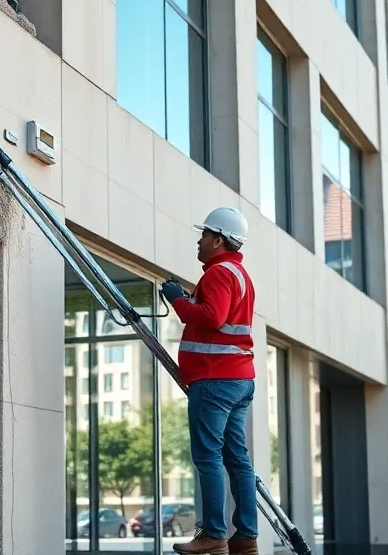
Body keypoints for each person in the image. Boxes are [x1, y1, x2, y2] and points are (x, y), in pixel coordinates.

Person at [161, 206, 259, 555]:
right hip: (238, 378)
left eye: (204, 234)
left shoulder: (219, 273)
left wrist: (176, 299)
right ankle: (246, 537)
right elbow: (219, 317)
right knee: (238, 459)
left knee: (208, 456)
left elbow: (212, 317)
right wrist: (190, 299)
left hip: (214, 379)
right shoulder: (240, 275)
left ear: (218, 239)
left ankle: (214, 534)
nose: (199, 240)